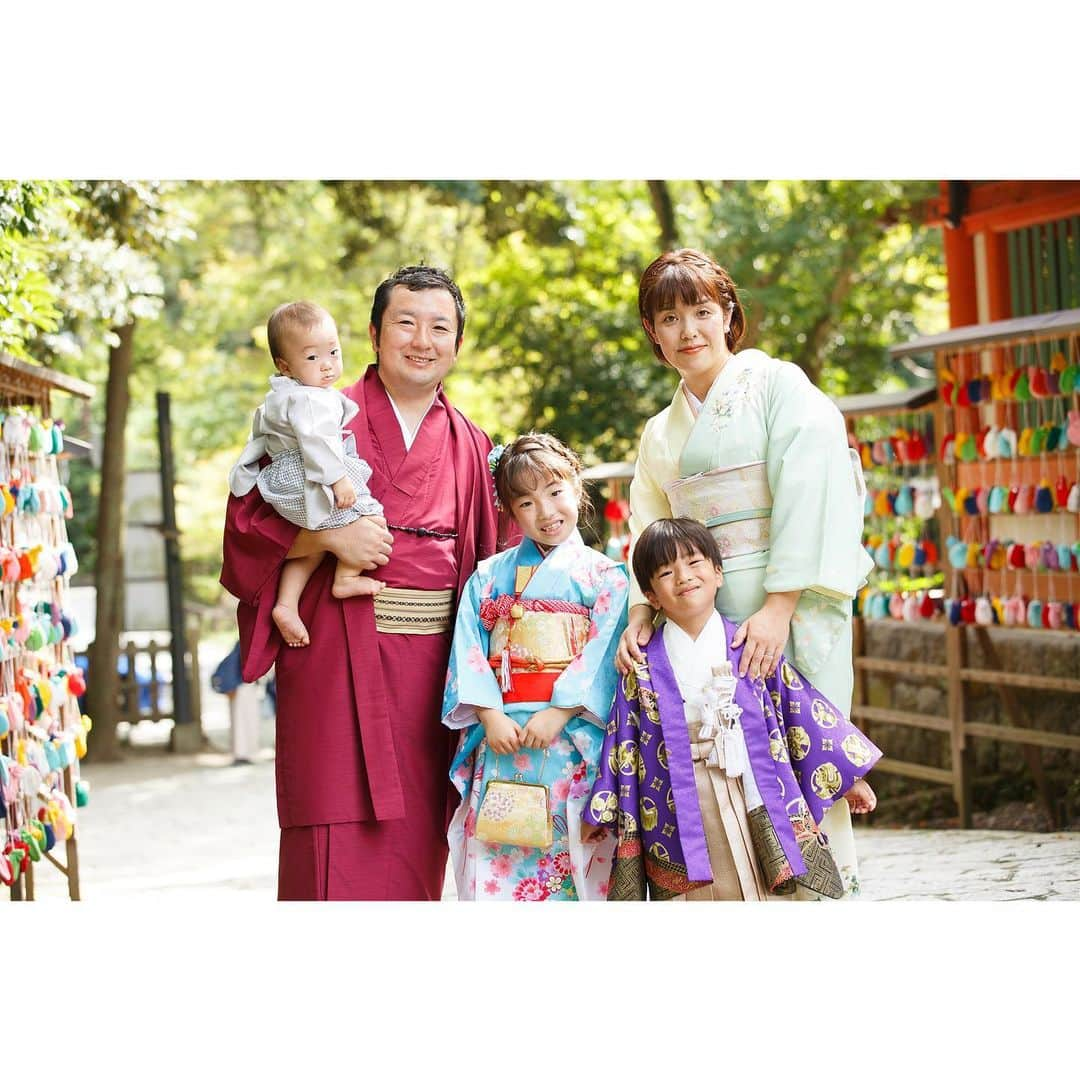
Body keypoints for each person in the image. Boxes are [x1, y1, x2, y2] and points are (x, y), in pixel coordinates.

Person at [220, 265, 511, 901]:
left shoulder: (472, 444)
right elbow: (246, 525)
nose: (422, 339)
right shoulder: (312, 412)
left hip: (433, 678)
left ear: (457, 345)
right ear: (375, 334)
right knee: (329, 836)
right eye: (405, 322)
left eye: (440, 327)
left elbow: (504, 566)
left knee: (415, 851)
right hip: (334, 661)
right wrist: (323, 537)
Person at [616, 248, 876, 895]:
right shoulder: (658, 434)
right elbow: (647, 530)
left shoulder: (778, 387)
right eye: (669, 318)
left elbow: (813, 488)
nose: (689, 332)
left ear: (728, 312)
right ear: (653, 331)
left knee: (795, 749)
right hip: (695, 613)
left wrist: (781, 604)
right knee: (715, 768)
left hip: (783, 600)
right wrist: (643, 611)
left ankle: (816, 891)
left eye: (702, 311)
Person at [587, 518, 880, 900]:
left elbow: (798, 710)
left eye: (694, 564)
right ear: (651, 596)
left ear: (718, 573)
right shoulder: (641, 667)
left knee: (756, 884)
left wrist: (847, 776)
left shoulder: (750, 647)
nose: (683, 577)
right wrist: (604, 809)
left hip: (749, 784)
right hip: (675, 797)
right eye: (666, 572)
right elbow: (622, 740)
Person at [442, 433, 627, 901]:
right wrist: (488, 714)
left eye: (554, 492)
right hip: (503, 737)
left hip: (569, 739)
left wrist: (561, 711)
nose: (545, 512)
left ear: (576, 488)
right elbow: (469, 646)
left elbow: (603, 652)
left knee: (572, 854)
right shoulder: (488, 576)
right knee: (499, 850)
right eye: (526, 502)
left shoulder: (604, 576)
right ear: (510, 511)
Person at [228, 301, 385, 649]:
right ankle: (346, 577)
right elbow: (316, 442)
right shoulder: (309, 400)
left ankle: (286, 603)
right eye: (312, 358)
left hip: (288, 479)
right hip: (311, 476)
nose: (327, 364)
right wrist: (338, 479)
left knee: (316, 540)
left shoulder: (284, 396)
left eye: (333, 351)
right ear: (285, 366)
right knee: (369, 513)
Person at [210, 640, 262, 765]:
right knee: (244, 721)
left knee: (242, 721)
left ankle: (243, 752)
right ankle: (242, 753)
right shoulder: (245, 643)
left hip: (243, 685)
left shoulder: (241, 643)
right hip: (243, 685)